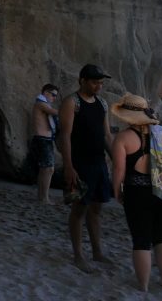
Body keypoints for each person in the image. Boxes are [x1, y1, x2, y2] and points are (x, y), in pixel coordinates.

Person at [110, 93, 162, 292]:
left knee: (141, 240)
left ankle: (143, 285)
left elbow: (118, 170)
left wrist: (116, 190)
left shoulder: (123, 138)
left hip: (137, 195)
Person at [59, 63, 115, 273]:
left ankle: (97, 252)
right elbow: (64, 135)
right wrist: (69, 166)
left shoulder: (102, 104)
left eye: (100, 82)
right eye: (94, 82)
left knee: (97, 208)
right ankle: (78, 255)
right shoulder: (72, 103)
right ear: (82, 80)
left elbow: (107, 136)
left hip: (99, 163)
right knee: (79, 210)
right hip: (80, 163)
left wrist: (116, 160)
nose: (98, 86)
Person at [30, 84, 61, 203]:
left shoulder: (42, 104)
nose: (54, 98)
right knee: (49, 169)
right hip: (43, 140)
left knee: (45, 169)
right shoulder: (40, 103)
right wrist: (69, 110)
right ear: (45, 92)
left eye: (56, 96)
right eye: (53, 95)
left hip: (45, 140)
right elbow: (54, 112)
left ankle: (41, 196)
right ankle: (45, 198)